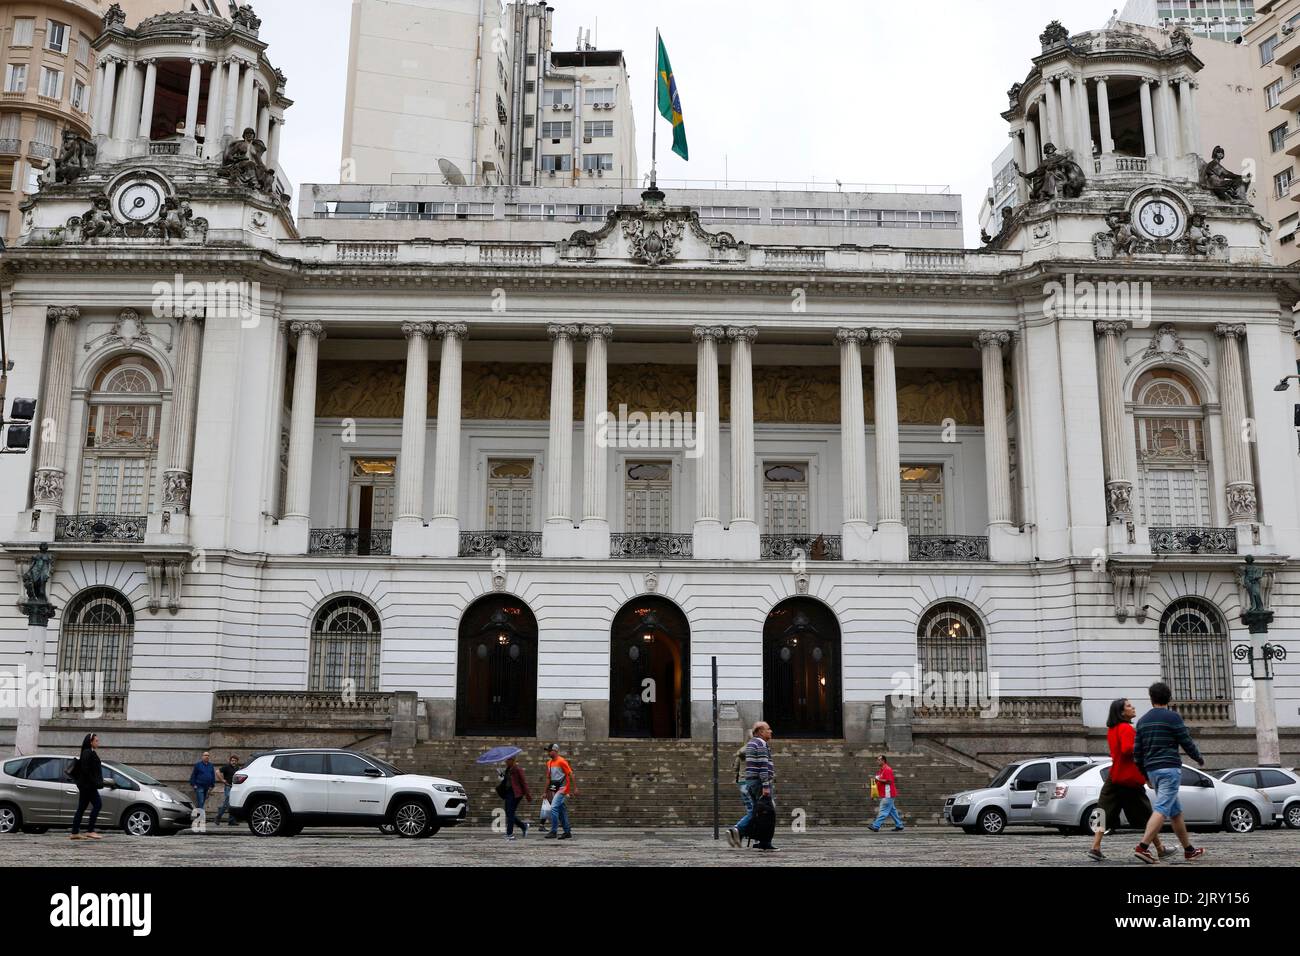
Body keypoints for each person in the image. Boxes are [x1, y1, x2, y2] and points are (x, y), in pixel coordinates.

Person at [1088, 699, 1172, 862]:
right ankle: (1159, 849)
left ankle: (1096, 846)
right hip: (1128, 778)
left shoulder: (1112, 729)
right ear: (1121, 713)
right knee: (1146, 814)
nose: (1132, 707)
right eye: (1128, 706)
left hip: (1115, 776)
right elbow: (1128, 749)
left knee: (1103, 811)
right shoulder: (1126, 728)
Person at [1133, 682, 1206, 863]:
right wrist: (1198, 758)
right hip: (1169, 769)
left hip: (1152, 770)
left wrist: (1145, 775)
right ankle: (1143, 847)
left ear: (1151, 699)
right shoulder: (1172, 718)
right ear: (1169, 698)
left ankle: (1189, 850)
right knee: (1162, 808)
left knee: (1175, 812)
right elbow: (1186, 741)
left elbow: (1137, 753)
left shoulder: (1142, 721)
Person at [727, 721, 776, 851]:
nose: (771, 731)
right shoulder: (760, 743)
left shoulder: (751, 744)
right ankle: (758, 839)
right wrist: (766, 785)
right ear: (760, 731)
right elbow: (763, 766)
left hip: (751, 781)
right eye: (768, 729)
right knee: (768, 813)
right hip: (760, 783)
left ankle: (756, 838)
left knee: (757, 812)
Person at [69, 732, 105, 841]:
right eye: (96, 741)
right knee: (98, 804)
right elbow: (86, 770)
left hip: (87, 785)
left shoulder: (89, 752)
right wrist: (95, 782)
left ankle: (75, 832)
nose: (98, 742)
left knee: (81, 808)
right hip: (88, 786)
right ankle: (90, 830)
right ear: (90, 742)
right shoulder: (87, 752)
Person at [543, 744, 576, 840]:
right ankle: (567, 831)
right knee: (561, 810)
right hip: (554, 788)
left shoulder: (562, 761)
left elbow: (571, 774)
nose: (548, 753)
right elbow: (548, 778)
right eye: (548, 751)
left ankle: (553, 831)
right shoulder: (549, 763)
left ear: (555, 751)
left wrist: (575, 788)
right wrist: (545, 791)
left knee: (553, 808)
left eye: (550, 751)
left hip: (563, 788)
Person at [868, 755, 905, 832]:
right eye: (877, 760)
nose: (877, 761)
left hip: (888, 793)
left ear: (883, 761)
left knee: (883, 810)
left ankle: (876, 826)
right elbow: (877, 782)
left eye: (879, 760)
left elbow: (889, 781)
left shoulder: (887, 769)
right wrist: (874, 793)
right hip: (885, 793)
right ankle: (899, 825)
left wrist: (879, 779)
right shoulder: (881, 770)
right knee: (892, 811)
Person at [502, 754, 531, 841]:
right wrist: (502, 775)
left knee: (510, 813)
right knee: (508, 813)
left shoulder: (517, 769)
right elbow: (507, 781)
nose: (506, 761)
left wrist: (527, 795)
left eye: (507, 760)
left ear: (512, 760)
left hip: (515, 794)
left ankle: (509, 834)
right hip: (508, 793)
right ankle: (523, 826)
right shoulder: (508, 769)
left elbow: (523, 782)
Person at [190, 751, 217, 823]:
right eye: (205, 755)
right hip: (199, 786)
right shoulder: (198, 765)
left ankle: (197, 817)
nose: (207, 757)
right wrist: (194, 784)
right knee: (201, 801)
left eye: (208, 755)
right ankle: (201, 819)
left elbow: (213, 775)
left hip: (207, 787)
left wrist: (212, 785)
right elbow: (193, 775)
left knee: (201, 802)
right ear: (202, 756)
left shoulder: (211, 765)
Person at [215, 754, 241, 827]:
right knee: (227, 803)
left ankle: (231, 820)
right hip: (228, 787)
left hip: (235, 788)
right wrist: (222, 780)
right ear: (230, 761)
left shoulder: (237, 768)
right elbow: (217, 772)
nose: (233, 762)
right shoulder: (226, 767)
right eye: (232, 761)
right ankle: (218, 817)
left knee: (232, 804)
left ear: (237, 762)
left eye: (235, 761)